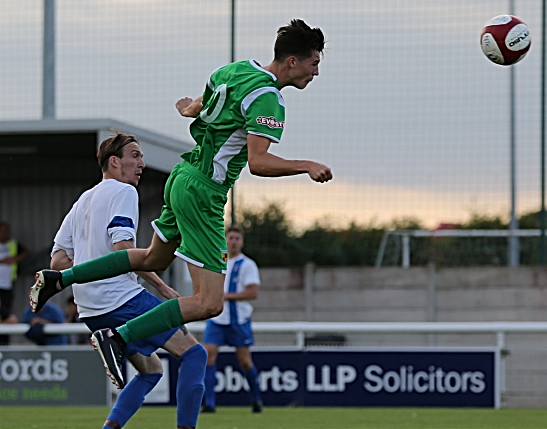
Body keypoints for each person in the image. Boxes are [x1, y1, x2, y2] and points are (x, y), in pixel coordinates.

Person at [30, 19, 331, 389]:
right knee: (209, 304)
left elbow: (201, 103)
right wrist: (307, 165)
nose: (316, 72)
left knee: (153, 258)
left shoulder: (235, 70)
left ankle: (59, 278)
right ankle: (118, 337)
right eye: (313, 63)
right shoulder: (269, 97)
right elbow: (259, 162)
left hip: (182, 177)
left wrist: (190, 109)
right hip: (203, 191)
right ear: (291, 61)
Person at [48, 132, 207, 429]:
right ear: (114, 162)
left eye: (142, 156)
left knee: (151, 371)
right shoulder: (123, 192)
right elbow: (124, 250)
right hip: (121, 299)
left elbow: (57, 261)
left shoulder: (83, 199)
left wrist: (90, 266)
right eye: (134, 155)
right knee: (195, 355)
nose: (141, 163)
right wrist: (161, 286)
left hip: (90, 309)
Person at [201, 226, 262, 414]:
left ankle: (256, 399)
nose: (234, 241)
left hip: (239, 320)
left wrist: (226, 296)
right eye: (231, 237)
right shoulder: (218, 260)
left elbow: (253, 292)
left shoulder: (247, 264)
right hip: (217, 319)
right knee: (208, 353)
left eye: (237, 238)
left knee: (244, 361)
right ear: (225, 240)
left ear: (242, 242)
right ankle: (209, 403)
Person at [0, 221, 30, 344]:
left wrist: (14, 259)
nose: (4, 233)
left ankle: (4, 343)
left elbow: (27, 253)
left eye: (6, 231)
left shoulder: (12, 243)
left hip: (6, 285)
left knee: (6, 313)